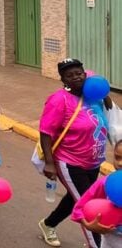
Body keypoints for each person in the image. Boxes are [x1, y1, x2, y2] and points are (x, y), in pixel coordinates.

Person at [38, 58, 109, 248]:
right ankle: (99, 245)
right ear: (63, 80)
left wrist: (106, 95)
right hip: (70, 161)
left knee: (75, 197)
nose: (76, 77)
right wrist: (50, 163)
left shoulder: (92, 92)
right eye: (69, 75)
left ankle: (48, 224)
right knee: (89, 205)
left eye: (79, 73)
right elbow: (46, 133)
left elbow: (96, 76)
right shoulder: (59, 100)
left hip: (93, 161)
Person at [71, 140, 122, 248]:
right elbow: (80, 207)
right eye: (117, 157)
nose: (120, 163)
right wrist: (88, 225)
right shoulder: (107, 182)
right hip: (110, 243)